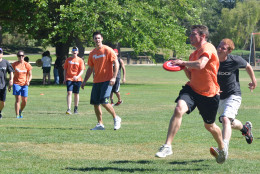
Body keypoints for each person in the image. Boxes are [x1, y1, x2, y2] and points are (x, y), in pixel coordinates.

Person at [155, 25, 226, 164]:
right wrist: (183, 67)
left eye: (193, 34)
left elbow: (200, 65)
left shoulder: (208, 48)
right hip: (192, 89)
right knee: (178, 109)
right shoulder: (193, 54)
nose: (190, 37)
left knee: (210, 126)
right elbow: (191, 75)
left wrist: (184, 62)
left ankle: (222, 148)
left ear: (203, 36)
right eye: (190, 34)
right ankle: (167, 146)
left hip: (209, 94)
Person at [216, 38, 256, 159]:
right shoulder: (212, 60)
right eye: (219, 46)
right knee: (229, 122)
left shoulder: (234, 60)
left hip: (233, 94)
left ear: (228, 51)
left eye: (223, 48)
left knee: (226, 119)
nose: (219, 49)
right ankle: (245, 129)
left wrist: (253, 80)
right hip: (218, 97)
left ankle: (223, 148)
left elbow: (248, 66)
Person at [81, 31, 121, 130]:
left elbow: (116, 63)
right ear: (93, 40)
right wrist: (85, 81)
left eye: (99, 38)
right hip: (96, 81)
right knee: (95, 103)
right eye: (95, 38)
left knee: (104, 101)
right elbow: (90, 68)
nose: (97, 40)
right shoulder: (92, 53)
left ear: (102, 39)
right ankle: (100, 124)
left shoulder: (108, 50)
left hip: (107, 80)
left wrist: (114, 77)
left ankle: (116, 118)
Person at [63, 47, 85, 114]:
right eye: (73, 51)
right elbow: (65, 69)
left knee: (76, 93)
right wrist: (64, 78)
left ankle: (76, 108)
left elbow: (82, 70)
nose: (74, 52)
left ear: (77, 52)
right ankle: (69, 109)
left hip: (77, 79)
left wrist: (78, 76)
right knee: (69, 93)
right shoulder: (68, 59)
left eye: (76, 51)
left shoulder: (80, 60)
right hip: (69, 78)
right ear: (72, 52)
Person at [12, 50, 32, 118]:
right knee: (18, 99)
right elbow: (11, 74)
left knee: (25, 100)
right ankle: (17, 115)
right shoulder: (14, 64)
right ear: (17, 56)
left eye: (22, 56)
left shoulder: (27, 64)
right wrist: (11, 81)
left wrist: (28, 80)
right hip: (16, 84)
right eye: (19, 56)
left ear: (24, 56)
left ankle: (20, 110)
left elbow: (30, 75)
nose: (21, 57)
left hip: (24, 84)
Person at [0, 48, 14, 119]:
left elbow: (11, 71)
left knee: (2, 102)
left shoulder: (5, 62)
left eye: (0, 53)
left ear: (2, 54)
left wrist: (11, 80)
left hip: (3, 85)